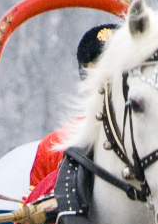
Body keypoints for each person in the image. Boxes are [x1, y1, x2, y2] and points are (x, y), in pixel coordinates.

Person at [28, 22, 117, 188]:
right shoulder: (54, 147)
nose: (110, 83)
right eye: (100, 74)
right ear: (85, 78)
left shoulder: (157, 141)